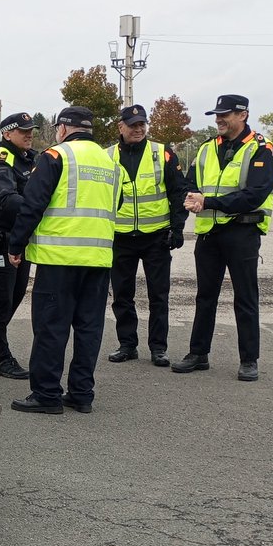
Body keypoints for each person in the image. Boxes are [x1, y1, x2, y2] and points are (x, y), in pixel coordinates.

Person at [7, 106, 121, 414]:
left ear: (62, 128)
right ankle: (82, 393)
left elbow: (33, 205)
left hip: (59, 259)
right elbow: (117, 203)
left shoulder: (56, 157)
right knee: (89, 328)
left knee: (51, 327)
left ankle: (46, 394)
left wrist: (15, 244)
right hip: (98, 260)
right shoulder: (111, 163)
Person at [173, 95, 273, 382]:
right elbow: (191, 183)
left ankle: (249, 360)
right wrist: (192, 197)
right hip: (210, 233)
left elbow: (255, 194)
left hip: (242, 231)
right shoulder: (207, 148)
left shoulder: (262, 149)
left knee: (245, 297)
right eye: (216, 115)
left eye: (225, 114)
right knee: (205, 296)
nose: (219, 119)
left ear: (243, 114)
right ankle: (198, 353)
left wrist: (209, 201)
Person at [106, 104, 189, 368]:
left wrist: (177, 228)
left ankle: (158, 348)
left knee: (159, 295)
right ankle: (127, 344)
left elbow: (178, 192)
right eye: (133, 125)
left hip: (156, 236)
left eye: (142, 124)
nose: (139, 129)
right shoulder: (107, 156)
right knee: (122, 295)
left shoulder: (161, 153)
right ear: (121, 127)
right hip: (120, 236)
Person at [0, 112, 38, 380]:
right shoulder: (1, 162)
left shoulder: (28, 159)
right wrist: (37, 209)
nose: (29, 134)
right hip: (0, 241)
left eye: (31, 130)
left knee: (14, 296)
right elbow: (7, 199)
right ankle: (0, 357)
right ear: (7, 133)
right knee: (1, 299)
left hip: (18, 239)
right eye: (23, 131)